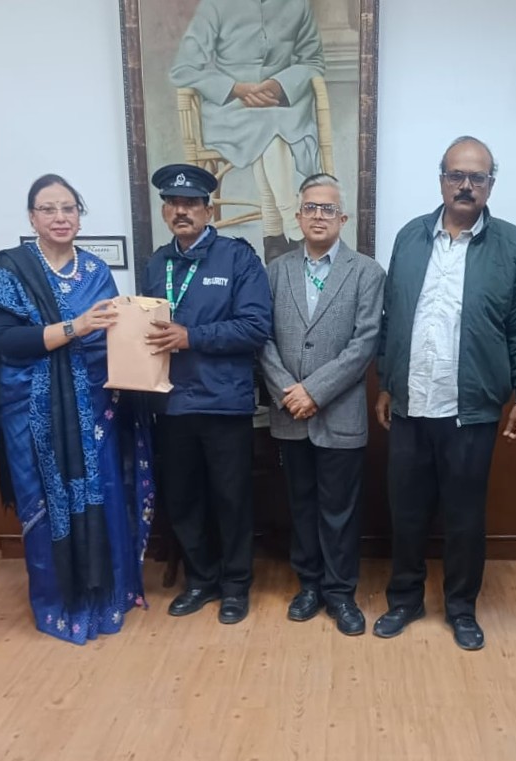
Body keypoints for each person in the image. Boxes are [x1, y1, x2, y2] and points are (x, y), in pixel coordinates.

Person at [373, 136, 516, 651]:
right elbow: (391, 320)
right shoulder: (409, 237)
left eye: (478, 177)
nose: (466, 185)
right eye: (456, 175)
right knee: (405, 511)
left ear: (491, 183)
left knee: (465, 517)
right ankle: (404, 600)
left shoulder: (515, 246)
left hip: (471, 409)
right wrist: (385, 384)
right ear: (441, 179)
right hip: (409, 403)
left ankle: (461, 608)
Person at [0, 174, 154, 645]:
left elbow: (115, 339)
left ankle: (108, 598)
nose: (60, 218)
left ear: (80, 215)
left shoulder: (96, 271)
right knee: (49, 504)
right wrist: (74, 327)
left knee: (104, 498)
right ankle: (59, 605)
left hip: (96, 408)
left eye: (69, 208)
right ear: (32, 216)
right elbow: (4, 341)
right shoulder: (12, 269)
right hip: (34, 414)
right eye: (49, 209)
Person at [144, 163, 272, 625]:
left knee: (231, 498)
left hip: (224, 403)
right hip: (172, 404)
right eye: (174, 204)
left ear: (208, 208)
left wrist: (190, 337)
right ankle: (200, 580)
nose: (182, 211)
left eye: (192, 203)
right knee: (183, 497)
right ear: (164, 211)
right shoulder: (156, 264)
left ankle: (236, 585)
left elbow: (256, 327)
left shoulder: (238, 258)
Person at [260, 173, 385, 635]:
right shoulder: (276, 271)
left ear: (343, 218)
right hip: (288, 412)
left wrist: (314, 390)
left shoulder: (367, 272)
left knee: (340, 510)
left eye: (327, 209)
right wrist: (288, 391)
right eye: (310, 208)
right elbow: (263, 338)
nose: (318, 216)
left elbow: (365, 341)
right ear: (297, 216)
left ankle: (340, 592)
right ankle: (308, 585)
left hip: (340, 414)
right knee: (301, 505)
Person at [170, 0, 325, 261]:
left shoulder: (297, 5)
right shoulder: (216, 6)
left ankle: (274, 237)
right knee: (274, 131)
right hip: (231, 110)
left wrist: (279, 84)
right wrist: (236, 88)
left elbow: (314, 60)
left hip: (280, 103)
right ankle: (294, 228)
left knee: (274, 128)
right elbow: (184, 68)